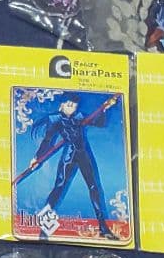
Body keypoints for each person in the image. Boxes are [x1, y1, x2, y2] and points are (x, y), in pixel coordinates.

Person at [29, 93, 119, 240]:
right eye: (67, 102)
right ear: (62, 104)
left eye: (73, 103)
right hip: (69, 156)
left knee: (94, 188)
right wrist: (37, 158)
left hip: (83, 154)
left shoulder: (80, 116)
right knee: (58, 188)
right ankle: (44, 229)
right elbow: (47, 141)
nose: (71, 105)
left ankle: (103, 228)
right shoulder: (54, 118)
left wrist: (104, 109)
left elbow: (100, 123)